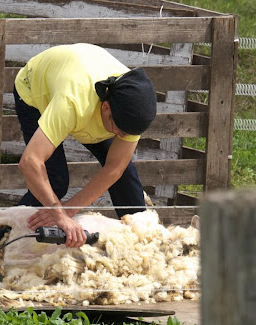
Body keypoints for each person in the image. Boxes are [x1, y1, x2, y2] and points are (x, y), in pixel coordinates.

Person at [13, 43, 157, 247]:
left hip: (88, 97)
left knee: (125, 175)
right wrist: (59, 215)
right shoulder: (72, 103)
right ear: (106, 108)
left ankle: (142, 247)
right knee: (54, 181)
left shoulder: (132, 105)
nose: (123, 137)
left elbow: (115, 168)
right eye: (119, 130)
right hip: (37, 91)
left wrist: (69, 209)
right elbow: (30, 162)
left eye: (129, 133)